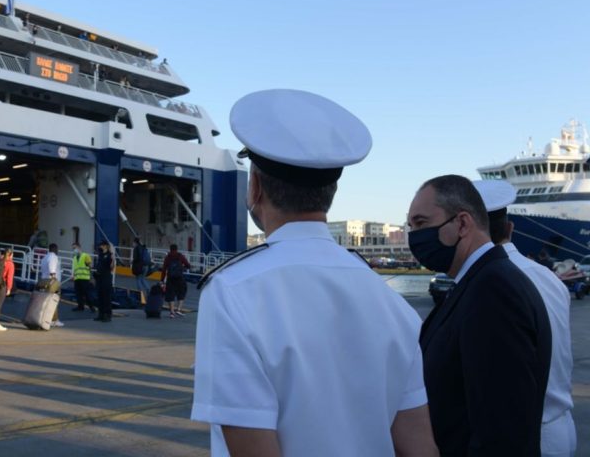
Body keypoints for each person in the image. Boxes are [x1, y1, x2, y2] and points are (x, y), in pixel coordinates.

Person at [191, 89, 437, 456]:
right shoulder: (392, 304)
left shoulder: (233, 292)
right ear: (331, 191)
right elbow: (419, 448)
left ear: (255, 187)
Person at [408, 174, 552, 455]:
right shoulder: (482, 280)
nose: (414, 236)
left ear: (462, 223)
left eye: (421, 223)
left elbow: (503, 430)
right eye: (410, 225)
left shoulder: (493, 290)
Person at [474, 180, 576, 456]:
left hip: (524, 434)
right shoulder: (549, 277)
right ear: (510, 228)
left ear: (462, 227)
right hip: (557, 426)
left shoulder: (491, 281)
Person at [161, 244, 190, 318]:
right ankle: (179, 309)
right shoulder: (180, 256)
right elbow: (188, 265)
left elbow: (164, 269)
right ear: (177, 249)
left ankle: (172, 312)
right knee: (182, 292)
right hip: (180, 278)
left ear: (170, 249)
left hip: (170, 278)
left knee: (170, 294)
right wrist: (182, 267)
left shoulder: (168, 257)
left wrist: (162, 280)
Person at [40, 244, 64, 327]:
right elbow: (52, 270)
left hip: (44, 280)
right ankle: (54, 320)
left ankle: (48, 318)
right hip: (52, 282)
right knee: (53, 301)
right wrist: (54, 281)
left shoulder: (45, 257)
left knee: (47, 301)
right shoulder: (53, 257)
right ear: (55, 249)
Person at [93, 240, 114, 323]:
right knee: (100, 297)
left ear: (105, 246)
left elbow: (111, 266)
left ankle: (107, 315)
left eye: (101, 245)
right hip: (99, 278)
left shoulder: (110, 255)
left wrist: (112, 255)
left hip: (106, 278)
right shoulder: (100, 255)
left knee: (106, 298)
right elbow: (99, 265)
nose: (100, 247)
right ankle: (100, 314)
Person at [71, 243, 94, 312]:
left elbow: (90, 266)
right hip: (77, 278)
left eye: (74, 248)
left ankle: (91, 307)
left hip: (85, 278)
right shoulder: (74, 258)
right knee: (78, 293)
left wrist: (91, 277)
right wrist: (73, 275)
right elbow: (74, 268)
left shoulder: (85, 256)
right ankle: (80, 306)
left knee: (87, 294)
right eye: (73, 249)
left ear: (79, 248)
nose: (74, 250)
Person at [131, 238, 150, 303]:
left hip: (140, 266)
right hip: (146, 266)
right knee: (143, 279)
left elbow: (136, 258)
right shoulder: (144, 247)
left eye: (133, 243)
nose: (132, 244)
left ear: (135, 243)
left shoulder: (136, 248)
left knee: (138, 279)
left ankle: (142, 297)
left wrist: (132, 262)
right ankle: (148, 292)